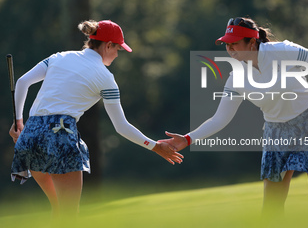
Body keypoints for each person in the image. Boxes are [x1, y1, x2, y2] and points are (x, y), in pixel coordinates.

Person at [159, 17, 308, 214]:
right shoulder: (235, 78)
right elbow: (220, 118)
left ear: (252, 42)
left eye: (235, 43)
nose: (230, 49)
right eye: (227, 45)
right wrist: (187, 139)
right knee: (272, 207)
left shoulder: (283, 51)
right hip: (276, 131)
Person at [9, 19, 183, 219]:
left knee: (58, 212)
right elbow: (121, 126)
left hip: (30, 135)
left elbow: (23, 82)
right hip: (60, 136)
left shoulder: (59, 57)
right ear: (108, 45)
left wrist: (18, 121)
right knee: (68, 216)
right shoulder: (105, 78)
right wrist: (155, 146)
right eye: (118, 49)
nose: (117, 55)